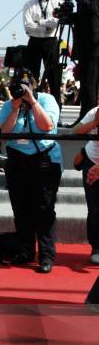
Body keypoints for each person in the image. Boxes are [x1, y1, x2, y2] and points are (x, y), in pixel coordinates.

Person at [0, 69, 62, 273]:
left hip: (44, 159)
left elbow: (46, 126)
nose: (21, 89)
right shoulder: (10, 104)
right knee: (21, 208)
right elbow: (6, 131)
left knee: (43, 209)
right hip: (17, 159)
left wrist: (32, 102)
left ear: (34, 86)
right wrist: (16, 108)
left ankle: (46, 256)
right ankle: (26, 251)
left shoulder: (47, 100)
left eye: (25, 86)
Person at [23, 0, 60, 103]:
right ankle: (30, 104)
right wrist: (46, 25)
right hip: (34, 41)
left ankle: (56, 108)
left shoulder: (57, 3)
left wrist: (38, 23)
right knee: (31, 75)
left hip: (51, 41)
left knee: (54, 76)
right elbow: (27, 27)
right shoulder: (29, 4)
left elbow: (56, 22)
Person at [72, 0, 99, 119]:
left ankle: (88, 120)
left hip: (95, 50)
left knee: (90, 87)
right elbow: (83, 20)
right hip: (84, 49)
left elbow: (93, 11)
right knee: (85, 87)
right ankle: (85, 118)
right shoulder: (81, 0)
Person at [75, 106, 99, 264]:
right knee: (95, 208)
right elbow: (77, 131)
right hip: (91, 160)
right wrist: (95, 122)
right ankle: (96, 247)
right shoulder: (94, 111)